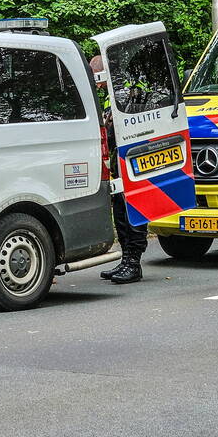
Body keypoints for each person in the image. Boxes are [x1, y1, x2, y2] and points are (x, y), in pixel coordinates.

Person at [90, 54, 146, 284]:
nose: (98, 85)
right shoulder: (111, 96)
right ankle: (126, 260)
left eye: (98, 80)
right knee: (121, 214)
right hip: (117, 165)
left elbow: (125, 128)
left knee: (133, 214)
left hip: (131, 163)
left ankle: (133, 263)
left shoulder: (130, 93)